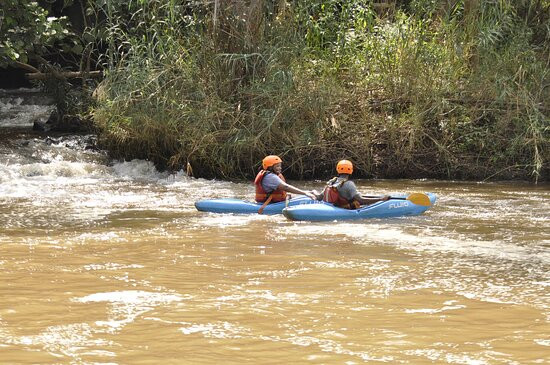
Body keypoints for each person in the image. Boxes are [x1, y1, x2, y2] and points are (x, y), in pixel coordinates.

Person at [316, 159, 390, 209]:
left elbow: (320, 197)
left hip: (335, 206)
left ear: (338, 169)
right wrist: (381, 199)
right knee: (357, 202)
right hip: (345, 208)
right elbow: (361, 200)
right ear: (351, 170)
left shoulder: (332, 181)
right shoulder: (349, 184)